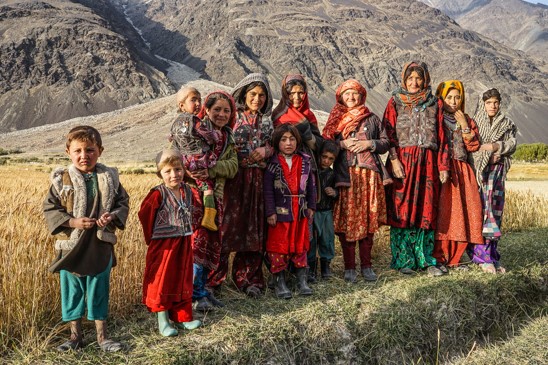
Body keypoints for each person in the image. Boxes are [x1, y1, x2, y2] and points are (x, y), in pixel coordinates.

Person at [43, 125, 129, 352]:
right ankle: (75, 337)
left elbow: (123, 203)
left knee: (99, 288)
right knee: (72, 290)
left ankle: (102, 338)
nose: (84, 156)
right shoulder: (61, 180)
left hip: (99, 245)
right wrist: (73, 222)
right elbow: (50, 208)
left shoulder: (109, 177)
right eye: (78, 150)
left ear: (100, 150)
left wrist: (111, 216)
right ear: (68, 152)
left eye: (90, 150)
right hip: (72, 246)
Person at [208, 73, 274, 298]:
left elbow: (273, 145)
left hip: (257, 182)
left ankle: (249, 280)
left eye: (262, 95)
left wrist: (267, 150)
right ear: (244, 94)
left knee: (253, 230)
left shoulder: (267, 121)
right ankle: (213, 282)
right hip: (233, 182)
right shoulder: (232, 118)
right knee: (226, 229)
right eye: (253, 94)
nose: (257, 99)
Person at [383, 61, 450, 276]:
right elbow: (388, 133)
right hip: (402, 161)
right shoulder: (395, 102)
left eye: (418, 78)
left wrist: (442, 165)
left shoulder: (435, 103)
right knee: (402, 208)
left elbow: (442, 136)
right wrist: (394, 160)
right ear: (404, 79)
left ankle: (427, 260)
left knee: (426, 209)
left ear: (425, 80)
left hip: (428, 163)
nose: (414, 82)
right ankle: (404, 260)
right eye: (410, 78)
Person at [322, 79, 390, 282]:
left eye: (355, 94)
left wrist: (370, 143)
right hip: (346, 177)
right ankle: (350, 267)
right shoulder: (336, 119)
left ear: (362, 96)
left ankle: (367, 266)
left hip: (369, 177)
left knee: (368, 221)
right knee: (348, 223)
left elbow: (386, 142)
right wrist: (341, 143)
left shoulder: (372, 119)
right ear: (341, 97)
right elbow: (325, 144)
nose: (351, 98)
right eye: (347, 94)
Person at [138, 149, 202, 337]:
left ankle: (183, 317)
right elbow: (145, 215)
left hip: (183, 241)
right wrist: (153, 237)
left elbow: (196, 211)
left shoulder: (188, 192)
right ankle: (163, 320)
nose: (174, 174)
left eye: (178, 169)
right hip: (163, 245)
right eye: (168, 171)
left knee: (182, 278)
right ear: (160, 174)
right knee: (162, 280)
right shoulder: (157, 194)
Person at [188, 91, 239, 311]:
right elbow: (180, 157)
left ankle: (204, 290)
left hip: (216, 197)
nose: (221, 114)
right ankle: (192, 294)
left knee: (211, 243)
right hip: (193, 196)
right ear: (206, 110)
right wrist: (193, 171)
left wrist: (209, 168)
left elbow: (233, 167)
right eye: (216, 109)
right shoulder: (194, 133)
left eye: (226, 110)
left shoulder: (228, 137)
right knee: (196, 242)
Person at [433, 80, 483, 271]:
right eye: (449, 97)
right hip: (443, 170)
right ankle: (439, 257)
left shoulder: (467, 119)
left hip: (462, 171)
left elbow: (473, 146)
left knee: (463, 213)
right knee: (444, 215)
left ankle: (456, 258)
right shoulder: (436, 118)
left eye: (457, 97)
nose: (454, 101)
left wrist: (464, 125)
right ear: (441, 98)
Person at [264, 123, 316, 299]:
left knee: (300, 244)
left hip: (300, 212)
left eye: (292, 139)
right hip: (281, 214)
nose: (288, 143)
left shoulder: (305, 162)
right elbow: (268, 190)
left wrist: (311, 206)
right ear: (277, 142)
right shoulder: (273, 164)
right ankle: (279, 282)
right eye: (284, 139)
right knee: (279, 246)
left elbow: (311, 186)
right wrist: (270, 212)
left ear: (297, 141)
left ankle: (302, 281)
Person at [468, 88, 517, 274]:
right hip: (480, 177)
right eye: (489, 102)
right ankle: (482, 257)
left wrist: (497, 147)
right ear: (483, 103)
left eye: (495, 102)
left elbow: (512, 144)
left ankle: (493, 255)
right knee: (482, 212)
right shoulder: (475, 124)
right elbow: (471, 147)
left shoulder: (506, 124)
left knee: (495, 212)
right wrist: (487, 155)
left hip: (497, 176)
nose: (492, 106)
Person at [170, 86, 220, 231]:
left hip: (184, 161)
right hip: (198, 159)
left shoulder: (175, 123)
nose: (198, 103)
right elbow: (209, 136)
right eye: (193, 100)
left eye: (199, 99)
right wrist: (216, 135)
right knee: (208, 187)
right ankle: (209, 218)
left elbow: (173, 142)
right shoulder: (195, 121)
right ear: (182, 105)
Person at [308, 140, 339, 282]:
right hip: (312, 212)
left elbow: (339, 192)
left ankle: (326, 268)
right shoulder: (312, 171)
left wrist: (334, 192)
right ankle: (311, 269)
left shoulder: (333, 174)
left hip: (326, 212)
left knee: (327, 240)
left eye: (331, 159)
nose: (326, 161)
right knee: (311, 241)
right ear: (319, 155)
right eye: (324, 157)